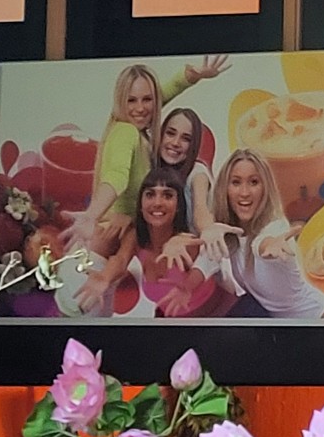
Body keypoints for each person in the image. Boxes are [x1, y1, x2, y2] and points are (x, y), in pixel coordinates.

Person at [65, 56, 229, 316]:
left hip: (108, 265)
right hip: (94, 260)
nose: (140, 108)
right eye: (131, 100)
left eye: (147, 100)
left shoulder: (162, 158)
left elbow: (200, 210)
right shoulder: (126, 133)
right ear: (121, 101)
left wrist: (190, 77)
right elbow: (116, 177)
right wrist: (92, 215)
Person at [199, 149, 324, 320]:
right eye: (236, 182)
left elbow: (263, 243)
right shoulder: (230, 235)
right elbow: (205, 262)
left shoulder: (276, 227)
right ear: (224, 188)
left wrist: (269, 246)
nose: (245, 192)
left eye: (254, 182)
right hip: (291, 328)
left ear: (265, 188)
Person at [129, 167, 221, 320]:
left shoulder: (187, 242)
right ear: (140, 204)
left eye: (167, 195)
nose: (158, 203)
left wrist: (187, 286)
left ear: (178, 206)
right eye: (150, 194)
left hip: (216, 316)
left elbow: (215, 257)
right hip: (171, 322)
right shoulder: (136, 241)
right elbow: (117, 262)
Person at [156, 106, 215, 236]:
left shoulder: (198, 173)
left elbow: (201, 212)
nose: (175, 143)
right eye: (170, 133)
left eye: (186, 139)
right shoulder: (152, 170)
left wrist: (209, 231)